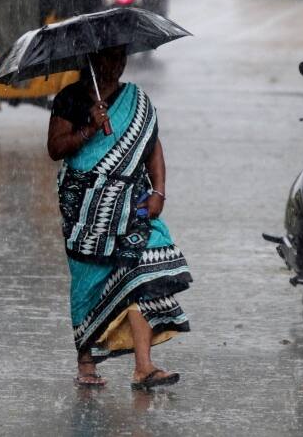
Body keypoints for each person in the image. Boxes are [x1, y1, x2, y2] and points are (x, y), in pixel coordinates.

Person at [47, 45, 192, 389]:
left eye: (121, 57)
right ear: (92, 60)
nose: (117, 64)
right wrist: (89, 128)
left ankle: (144, 366)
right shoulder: (71, 98)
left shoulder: (136, 100)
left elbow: (152, 147)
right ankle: (86, 363)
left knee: (141, 272)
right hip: (85, 206)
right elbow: (55, 147)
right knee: (89, 281)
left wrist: (159, 191)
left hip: (133, 201)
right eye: (109, 57)